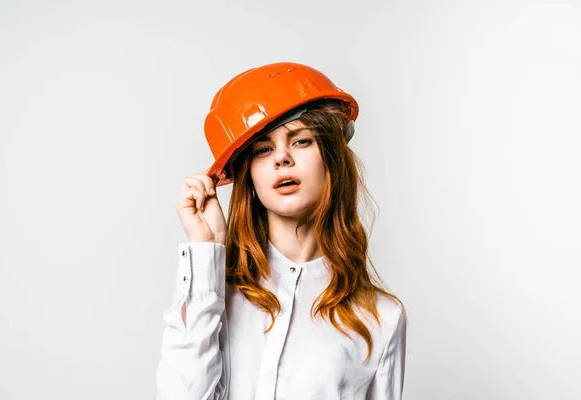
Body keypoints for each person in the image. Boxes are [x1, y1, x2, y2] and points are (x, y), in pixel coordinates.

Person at [156, 62, 407, 400]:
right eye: (263, 149)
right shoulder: (213, 295)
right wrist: (207, 248)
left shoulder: (381, 319)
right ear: (250, 176)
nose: (282, 159)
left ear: (332, 158)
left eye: (301, 141)